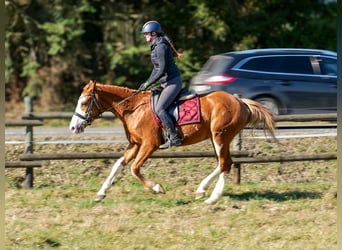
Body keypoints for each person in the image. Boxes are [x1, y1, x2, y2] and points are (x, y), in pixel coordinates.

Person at [138, 20, 183, 149]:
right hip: (166, 82)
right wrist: (146, 82)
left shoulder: (161, 47)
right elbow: (155, 69)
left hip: (173, 82)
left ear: (153, 33)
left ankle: (174, 137)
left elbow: (162, 70)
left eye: (146, 33)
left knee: (159, 108)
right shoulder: (155, 45)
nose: (144, 35)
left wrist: (148, 83)